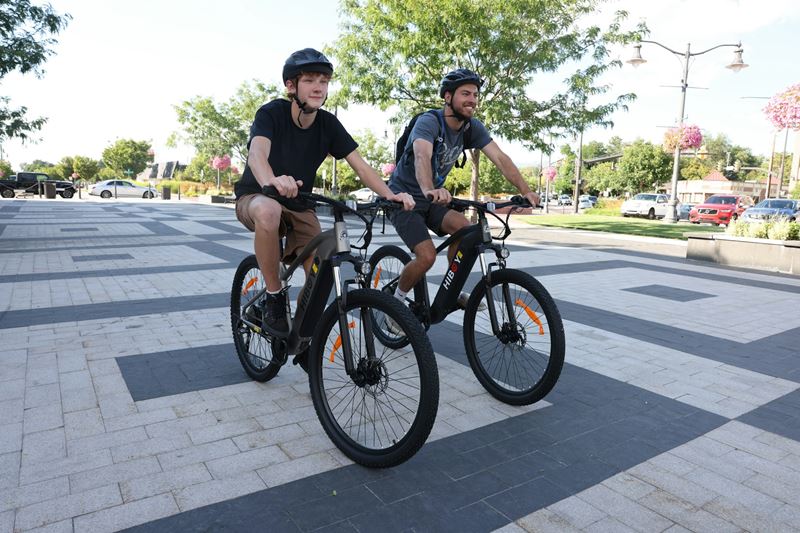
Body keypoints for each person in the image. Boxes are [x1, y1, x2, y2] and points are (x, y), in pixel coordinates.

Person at [234, 48, 414, 367]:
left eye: (324, 81)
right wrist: (271, 182)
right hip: (257, 196)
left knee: (322, 269)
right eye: (310, 80)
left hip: (301, 204)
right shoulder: (271, 113)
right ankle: (274, 298)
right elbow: (257, 155)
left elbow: (361, 166)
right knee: (269, 211)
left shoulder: (328, 125)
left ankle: (302, 338)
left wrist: (391, 194)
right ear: (292, 86)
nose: (319, 87)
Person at [386, 68, 539, 320]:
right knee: (426, 256)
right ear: (448, 97)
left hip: (435, 199)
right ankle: (396, 306)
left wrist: (525, 191)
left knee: (466, 231)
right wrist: (428, 189)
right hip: (406, 198)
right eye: (465, 93)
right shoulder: (429, 122)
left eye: (476, 94)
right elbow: (422, 155)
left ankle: (451, 288)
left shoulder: (471, 128)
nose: (473, 99)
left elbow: (500, 158)